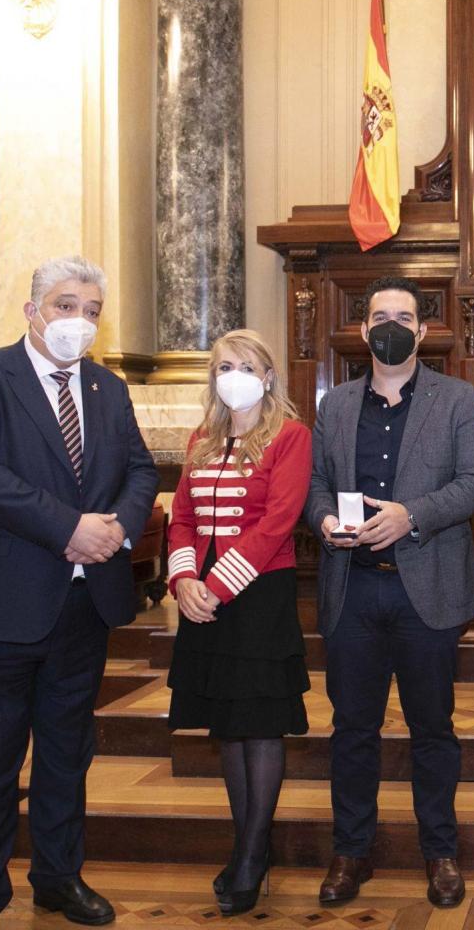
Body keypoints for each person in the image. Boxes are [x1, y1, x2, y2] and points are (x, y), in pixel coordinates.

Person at [0, 255, 159, 930]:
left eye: (91, 311)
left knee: (66, 754)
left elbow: (140, 469)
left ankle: (59, 880)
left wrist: (115, 527)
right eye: (66, 306)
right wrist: (71, 529)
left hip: (83, 607)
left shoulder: (107, 390)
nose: (79, 322)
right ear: (32, 311)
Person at [307, 276, 474, 909]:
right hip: (351, 591)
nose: (391, 325)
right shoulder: (334, 405)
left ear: (421, 330)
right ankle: (349, 850)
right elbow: (314, 486)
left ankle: (440, 850)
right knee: (352, 729)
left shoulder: (457, 399)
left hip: (427, 591)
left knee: (432, 729)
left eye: (404, 316)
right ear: (364, 331)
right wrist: (326, 521)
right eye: (379, 315)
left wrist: (409, 515)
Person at [163, 330, 311, 915]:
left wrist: (217, 585)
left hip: (258, 596)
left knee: (260, 724)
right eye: (224, 365)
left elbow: (278, 522)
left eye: (246, 365)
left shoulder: (291, 436)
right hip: (203, 598)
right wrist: (182, 583)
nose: (234, 374)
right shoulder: (202, 438)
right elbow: (180, 520)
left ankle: (253, 854)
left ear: (268, 376)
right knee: (226, 724)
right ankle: (244, 843)